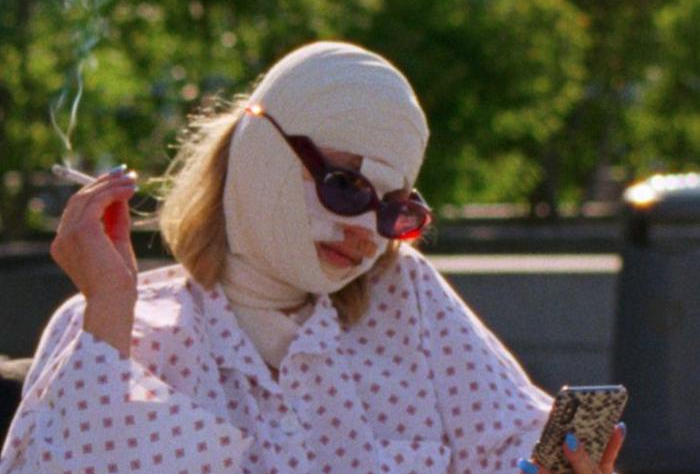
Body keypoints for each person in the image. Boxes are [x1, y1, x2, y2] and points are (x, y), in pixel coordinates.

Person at [0, 41, 624, 474]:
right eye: (346, 186)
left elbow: (514, 437)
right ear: (260, 151)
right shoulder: (119, 330)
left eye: (395, 210)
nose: (367, 232)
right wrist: (109, 307)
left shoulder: (405, 295)